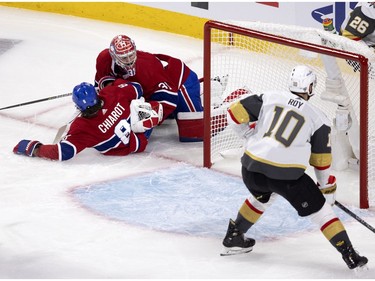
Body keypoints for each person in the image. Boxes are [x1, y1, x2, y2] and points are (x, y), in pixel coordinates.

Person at [220, 65, 368, 270]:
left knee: (263, 195)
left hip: (251, 170)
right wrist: (325, 188)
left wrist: (247, 136)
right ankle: (350, 255)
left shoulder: (268, 97)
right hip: (286, 178)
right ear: (309, 88)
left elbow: (233, 112)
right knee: (322, 212)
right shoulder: (318, 118)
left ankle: (234, 236)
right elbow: (321, 161)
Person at [13, 79, 163, 161]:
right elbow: (137, 88)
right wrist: (113, 84)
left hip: (129, 148)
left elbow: (62, 152)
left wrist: (35, 148)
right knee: (146, 105)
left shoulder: (82, 128)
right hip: (142, 137)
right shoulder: (112, 93)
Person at [95, 34, 206, 142]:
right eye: (124, 58)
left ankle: (211, 106)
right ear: (114, 57)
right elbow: (101, 86)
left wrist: (151, 115)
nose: (129, 61)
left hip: (181, 83)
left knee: (193, 132)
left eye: (131, 55)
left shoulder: (148, 67)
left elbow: (170, 98)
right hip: (152, 88)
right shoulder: (104, 60)